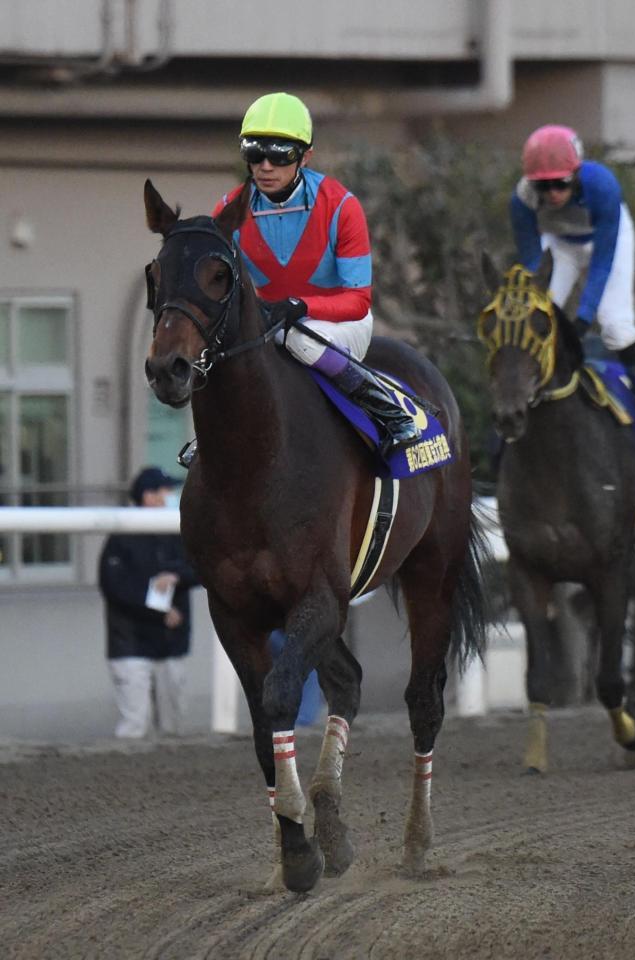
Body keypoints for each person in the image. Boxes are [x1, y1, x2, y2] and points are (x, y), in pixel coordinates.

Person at [211, 90, 421, 456]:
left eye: (280, 155)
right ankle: (210, 436)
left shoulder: (342, 206)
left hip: (340, 325)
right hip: (269, 324)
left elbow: (357, 301)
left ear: (305, 157)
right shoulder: (228, 211)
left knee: (298, 338)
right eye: (254, 152)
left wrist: (300, 306)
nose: (265, 166)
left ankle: (386, 410)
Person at [510, 123, 635, 457]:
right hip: (562, 244)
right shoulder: (521, 200)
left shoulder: (602, 185)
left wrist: (582, 318)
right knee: (539, 317)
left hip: (607, 242)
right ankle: (531, 400)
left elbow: (603, 263)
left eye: (560, 183)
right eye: (542, 185)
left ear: (575, 174)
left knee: (615, 325)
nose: (552, 194)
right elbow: (533, 259)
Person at [98, 466, 199, 738]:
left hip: (170, 644)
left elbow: (202, 568)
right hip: (131, 643)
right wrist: (159, 612)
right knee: (134, 726)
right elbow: (116, 587)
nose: (167, 499)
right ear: (148, 496)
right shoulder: (121, 537)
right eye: (164, 493)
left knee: (174, 728)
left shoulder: (175, 532)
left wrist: (175, 575)